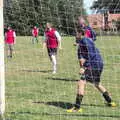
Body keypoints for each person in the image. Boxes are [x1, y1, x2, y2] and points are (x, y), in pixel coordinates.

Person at [67, 28, 116, 113]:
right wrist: (82, 66)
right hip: (98, 64)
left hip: (94, 64)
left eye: (76, 33)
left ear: (80, 34)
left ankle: (77, 107)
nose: (74, 35)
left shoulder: (85, 41)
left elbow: (91, 55)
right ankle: (110, 102)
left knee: (81, 83)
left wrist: (84, 67)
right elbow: (81, 59)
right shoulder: (82, 43)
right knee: (97, 84)